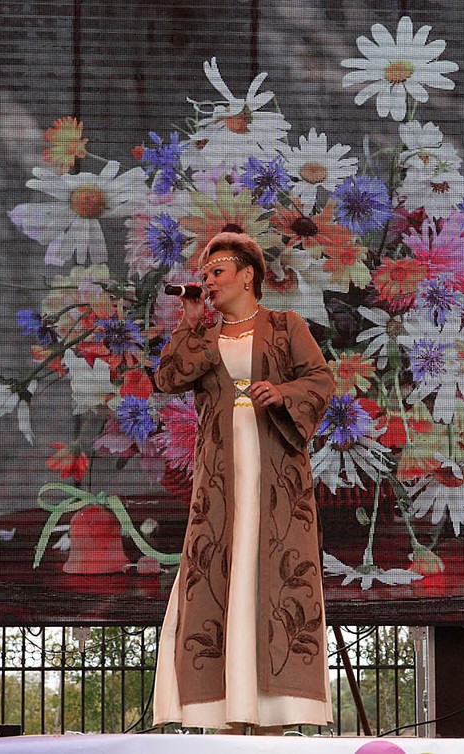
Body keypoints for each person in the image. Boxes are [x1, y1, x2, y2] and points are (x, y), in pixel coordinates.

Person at [151, 230, 334, 732]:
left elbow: (321, 380)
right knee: (219, 569)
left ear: (248, 274)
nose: (208, 281)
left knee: (273, 570)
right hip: (220, 479)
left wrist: (282, 392)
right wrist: (189, 322)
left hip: (275, 474)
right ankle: (224, 709)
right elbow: (168, 379)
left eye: (218, 271)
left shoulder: (285, 325)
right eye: (205, 274)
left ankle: (275, 710)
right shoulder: (205, 335)